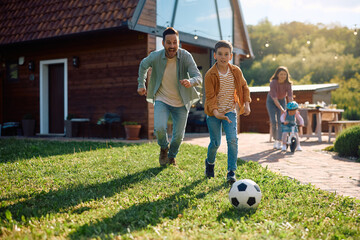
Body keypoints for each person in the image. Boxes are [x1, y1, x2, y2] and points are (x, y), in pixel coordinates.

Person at [137, 27, 202, 166]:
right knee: (159, 128)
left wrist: (190, 81)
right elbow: (143, 65)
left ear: (179, 43)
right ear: (163, 43)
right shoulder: (155, 56)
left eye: (175, 42)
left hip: (182, 101)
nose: (172, 46)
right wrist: (141, 84)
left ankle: (172, 157)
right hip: (162, 99)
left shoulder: (186, 56)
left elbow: (198, 76)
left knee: (178, 137)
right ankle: (163, 148)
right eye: (169, 42)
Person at [203, 40, 251, 184]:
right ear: (215, 55)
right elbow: (210, 97)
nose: (223, 57)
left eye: (226, 54)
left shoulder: (236, 71)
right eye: (220, 54)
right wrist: (216, 113)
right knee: (216, 143)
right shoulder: (210, 75)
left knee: (232, 140)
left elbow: (244, 86)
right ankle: (210, 163)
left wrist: (247, 104)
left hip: (230, 110)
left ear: (231, 56)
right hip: (214, 113)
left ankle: (231, 172)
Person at [266, 66, 293, 150]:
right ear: (277, 75)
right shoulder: (273, 83)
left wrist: (291, 108)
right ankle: (275, 140)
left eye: (285, 74)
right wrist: (282, 109)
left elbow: (290, 97)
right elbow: (274, 98)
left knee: (281, 121)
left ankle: (279, 140)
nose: (283, 76)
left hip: (282, 100)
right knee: (274, 121)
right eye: (281, 74)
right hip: (271, 101)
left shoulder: (288, 84)